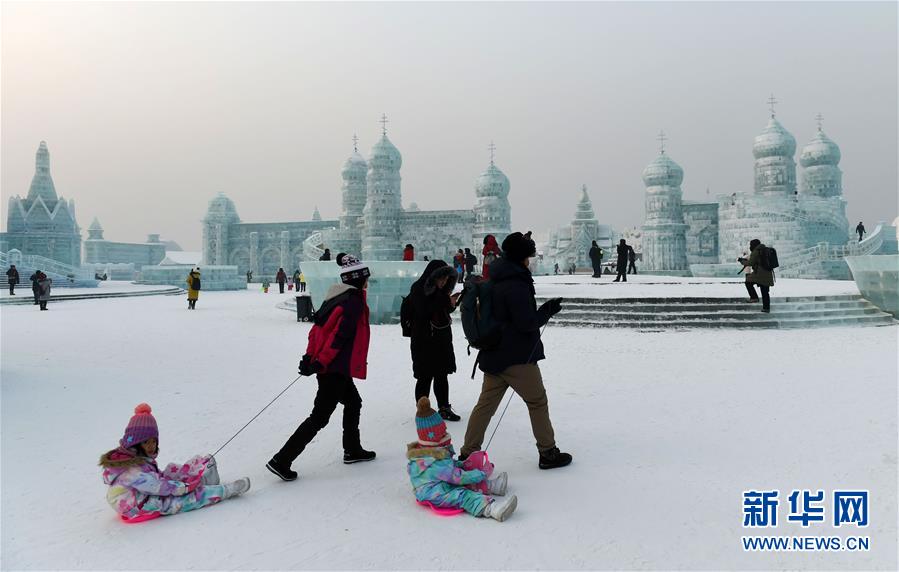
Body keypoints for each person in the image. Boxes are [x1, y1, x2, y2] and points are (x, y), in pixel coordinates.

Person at [460, 231, 572, 470]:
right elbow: (526, 323)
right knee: (537, 401)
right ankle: (548, 452)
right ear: (522, 258)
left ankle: (468, 453)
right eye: (528, 256)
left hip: (494, 353)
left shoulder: (499, 278)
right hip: (517, 356)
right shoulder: (516, 284)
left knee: (485, 406)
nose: (529, 261)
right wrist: (548, 310)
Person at [266, 254, 375, 481]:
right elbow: (339, 337)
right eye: (366, 278)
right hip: (333, 368)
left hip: (335, 367)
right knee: (319, 417)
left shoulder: (335, 297)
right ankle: (282, 459)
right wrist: (320, 361)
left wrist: (310, 357)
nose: (368, 282)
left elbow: (317, 331)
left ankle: (352, 449)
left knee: (353, 402)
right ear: (358, 279)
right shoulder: (353, 301)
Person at [98, 403, 250, 521]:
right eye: (146, 442)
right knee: (183, 500)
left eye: (153, 441)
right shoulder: (131, 471)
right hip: (137, 505)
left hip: (140, 493)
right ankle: (226, 490)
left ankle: (202, 477)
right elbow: (157, 486)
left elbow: (155, 480)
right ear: (136, 443)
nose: (151, 446)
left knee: (171, 471)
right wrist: (185, 488)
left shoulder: (136, 458)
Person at [407, 397, 517, 521]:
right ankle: (492, 509)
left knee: (465, 482)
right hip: (434, 494)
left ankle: (493, 486)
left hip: (439, 484)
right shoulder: (434, 464)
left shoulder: (430, 455)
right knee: (463, 495)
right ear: (434, 439)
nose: (446, 435)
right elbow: (458, 477)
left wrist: (461, 464)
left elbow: (448, 468)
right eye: (443, 433)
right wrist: (481, 474)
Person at [407, 260, 462, 422]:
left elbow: (442, 310)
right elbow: (424, 311)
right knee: (424, 377)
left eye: (446, 279)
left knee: (441, 375)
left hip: (441, 340)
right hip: (423, 341)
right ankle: (422, 410)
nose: (443, 282)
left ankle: (444, 408)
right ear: (433, 277)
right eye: (441, 278)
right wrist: (445, 300)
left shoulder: (441, 292)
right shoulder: (418, 289)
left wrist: (451, 302)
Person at [740, 239, 774, 313]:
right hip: (768, 273)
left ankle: (754, 297)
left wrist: (742, 261)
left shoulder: (756, 251)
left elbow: (751, 262)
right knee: (765, 291)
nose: (750, 246)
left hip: (760, 273)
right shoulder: (765, 249)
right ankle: (766, 308)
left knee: (748, 281)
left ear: (754, 245)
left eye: (751, 245)